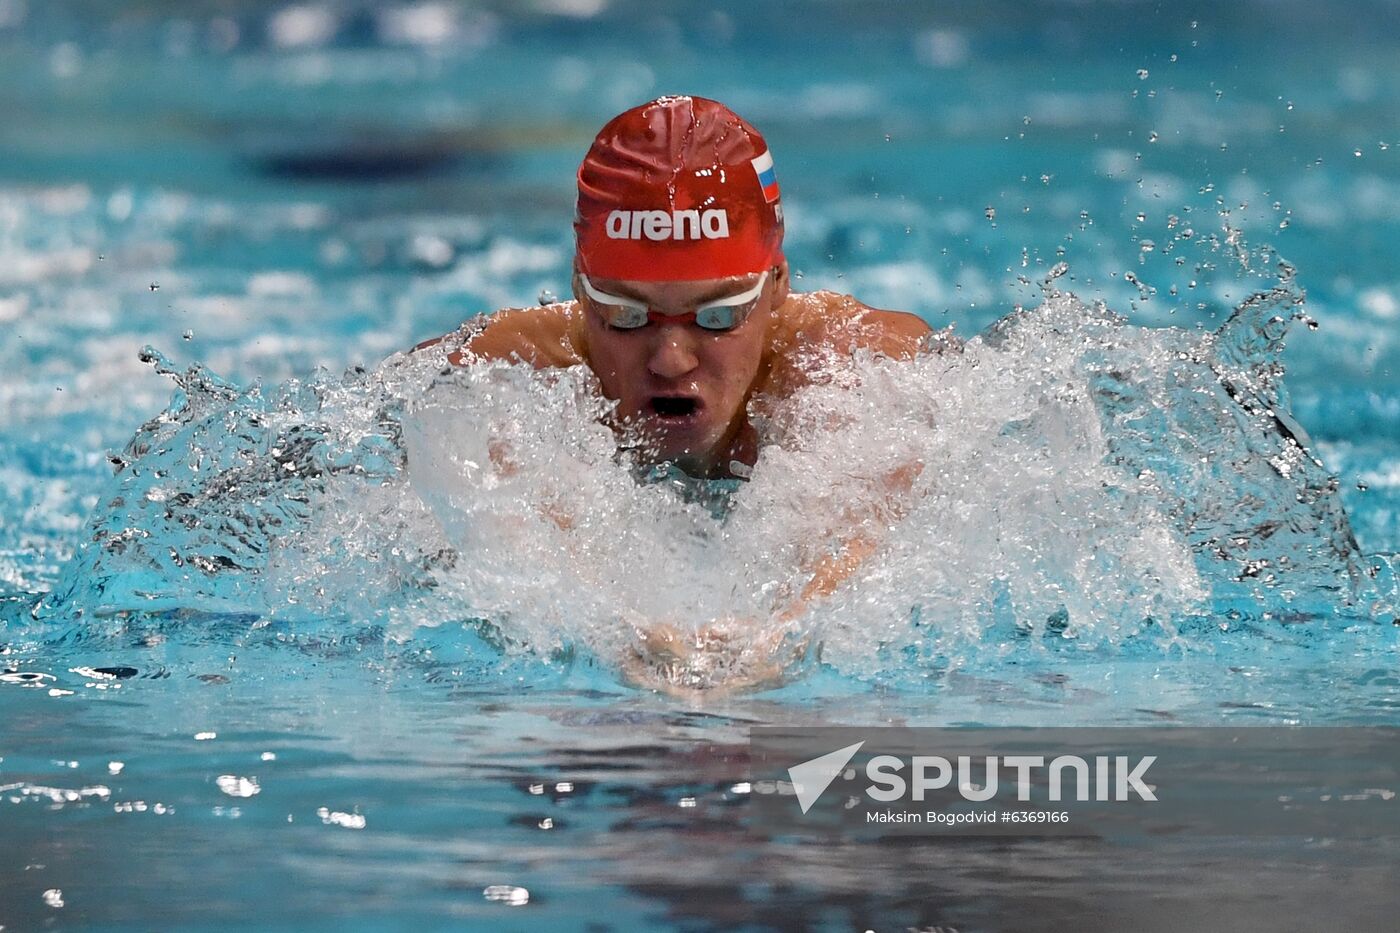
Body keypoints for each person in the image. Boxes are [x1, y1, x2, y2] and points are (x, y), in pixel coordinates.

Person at [417, 95, 937, 692]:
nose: (671, 360)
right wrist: (611, 631)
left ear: (777, 288)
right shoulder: (506, 373)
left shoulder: (852, 365)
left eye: (716, 317)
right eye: (625, 314)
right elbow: (488, 519)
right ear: (578, 292)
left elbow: (857, 533)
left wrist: (778, 635)